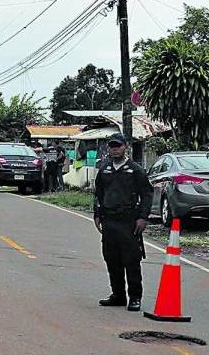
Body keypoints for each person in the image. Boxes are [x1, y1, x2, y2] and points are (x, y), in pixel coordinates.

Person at [94, 133, 153, 312]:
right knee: (112, 259)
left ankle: (135, 297)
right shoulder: (104, 169)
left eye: (118, 145)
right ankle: (118, 295)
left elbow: (147, 194)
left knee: (131, 260)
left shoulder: (135, 170)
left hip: (129, 222)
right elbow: (98, 193)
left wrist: (143, 217)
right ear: (108, 148)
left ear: (125, 146)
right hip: (109, 221)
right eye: (112, 146)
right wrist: (97, 214)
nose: (115, 148)